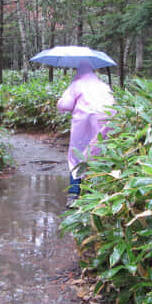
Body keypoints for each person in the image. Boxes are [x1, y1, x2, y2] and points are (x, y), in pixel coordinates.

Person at [57, 60, 115, 208]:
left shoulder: (77, 84)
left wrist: (59, 101)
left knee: (77, 156)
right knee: (98, 154)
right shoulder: (103, 85)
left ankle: (74, 195)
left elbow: (65, 106)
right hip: (106, 122)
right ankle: (94, 195)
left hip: (83, 124)